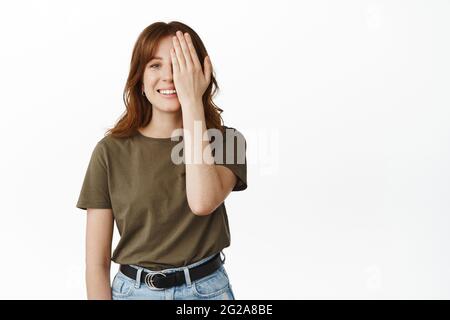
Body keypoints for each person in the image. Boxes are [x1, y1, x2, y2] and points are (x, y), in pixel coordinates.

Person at [75, 21, 247, 300]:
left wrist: (192, 101)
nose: (169, 76)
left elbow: (202, 202)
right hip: (133, 292)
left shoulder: (228, 142)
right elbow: (96, 264)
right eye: (155, 65)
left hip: (206, 292)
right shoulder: (109, 152)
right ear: (140, 78)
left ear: (200, 73)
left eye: (180, 65)